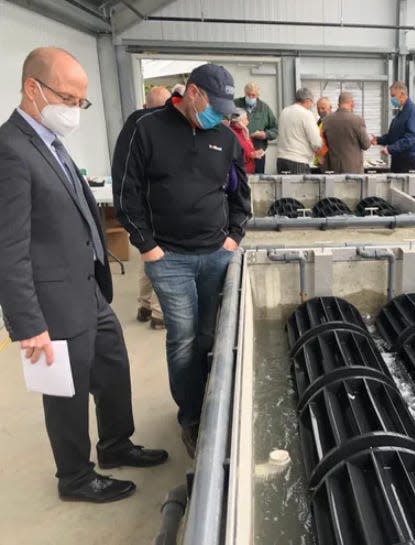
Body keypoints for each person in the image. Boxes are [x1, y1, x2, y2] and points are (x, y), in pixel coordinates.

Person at [0, 47, 168, 503]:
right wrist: (28, 324)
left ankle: (116, 445)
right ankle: (74, 477)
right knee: (66, 393)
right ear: (32, 89)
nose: (75, 109)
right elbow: (8, 247)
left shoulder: (49, 144)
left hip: (88, 288)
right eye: (68, 98)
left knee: (113, 367)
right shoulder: (11, 150)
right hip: (52, 303)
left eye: (81, 101)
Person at [112, 64, 251, 458]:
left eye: (226, 110)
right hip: (168, 257)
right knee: (184, 338)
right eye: (214, 106)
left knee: (211, 335)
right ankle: (191, 417)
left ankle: (213, 405)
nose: (220, 116)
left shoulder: (225, 138)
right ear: (191, 93)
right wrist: (146, 246)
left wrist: (233, 236)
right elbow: (127, 190)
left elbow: (240, 191)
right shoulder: (145, 127)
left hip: (215, 254)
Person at [137, 85, 172, 329]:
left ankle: (144, 304)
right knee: (164, 261)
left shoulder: (135, 129)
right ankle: (159, 314)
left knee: (148, 258)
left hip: (143, 209)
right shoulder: (163, 132)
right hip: (161, 208)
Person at [372, 81, 415, 173]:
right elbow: (394, 135)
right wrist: (379, 140)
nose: (392, 99)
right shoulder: (401, 112)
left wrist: (391, 148)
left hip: (408, 159)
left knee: (405, 186)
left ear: (402, 94)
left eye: (393, 96)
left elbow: (411, 138)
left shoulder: (412, 112)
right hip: (398, 158)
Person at [276, 88, 322, 174]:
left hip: (281, 160)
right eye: (312, 102)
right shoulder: (306, 114)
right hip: (298, 161)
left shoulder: (284, 112)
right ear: (308, 100)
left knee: (284, 187)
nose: (311, 105)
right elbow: (316, 142)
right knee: (301, 187)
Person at [322, 91, 371, 174]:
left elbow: (323, 144)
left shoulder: (326, 120)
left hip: (333, 170)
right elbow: (366, 145)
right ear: (352, 103)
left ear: (339, 103)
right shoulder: (357, 120)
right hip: (354, 171)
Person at [235, 82, 277, 173]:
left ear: (258, 95)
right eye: (248, 94)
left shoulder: (264, 108)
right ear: (244, 93)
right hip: (239, 152)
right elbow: (226, 122)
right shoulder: (235, 104)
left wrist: (265, 134)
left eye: (253, 95)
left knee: (258, 180)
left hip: (258, 151)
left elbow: (275, 129)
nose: (250, 97)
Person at [226, 108, 262, 174]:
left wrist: (254, 153)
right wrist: (251, 155)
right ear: (239, 121)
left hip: (248, 171)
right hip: (239, 172)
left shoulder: (243, 131)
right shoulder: (232, 134)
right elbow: (235, 155)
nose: (248, 121)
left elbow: (250, 149)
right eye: (245, 119)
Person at [314, 96, 332, 170]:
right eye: (318, 108)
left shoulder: (333, 122)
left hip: (328, 163)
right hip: (319, 162)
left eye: (323, 108)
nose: (320, 110)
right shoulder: (318, 122)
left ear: (330, 108)